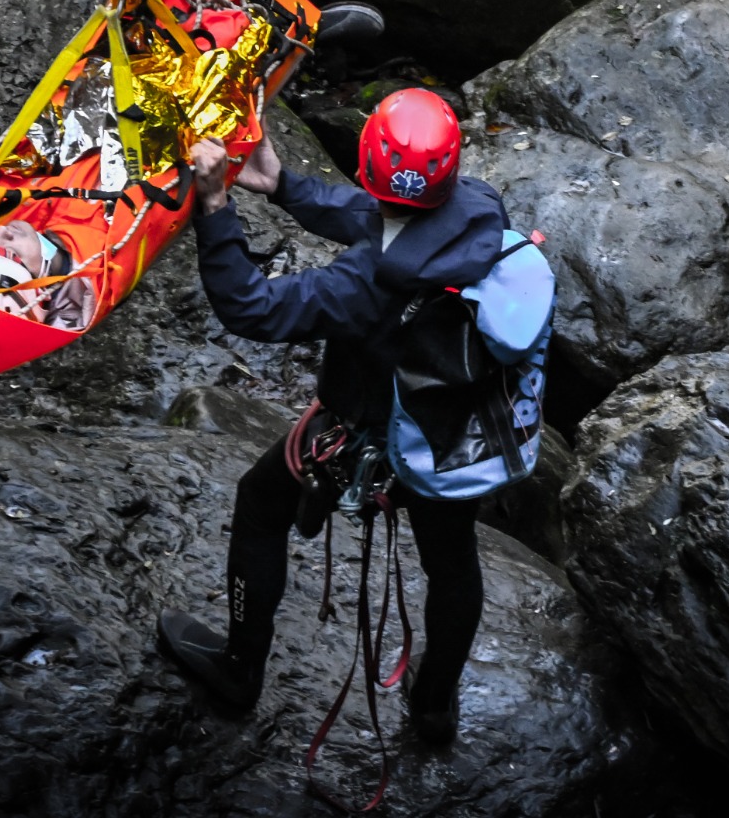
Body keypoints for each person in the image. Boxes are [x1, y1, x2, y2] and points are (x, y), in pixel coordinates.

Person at [158, 88, 507, 746]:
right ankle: (433, 711)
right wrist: (284, 185)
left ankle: (239, 670)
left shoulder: (360, 287)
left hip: (369, 434)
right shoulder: (479, 208)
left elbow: (252, 308)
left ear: (369, 157)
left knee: (260, 505)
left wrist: (215, 205)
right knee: (452, 564)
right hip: (453, 431)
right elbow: (382, 218)